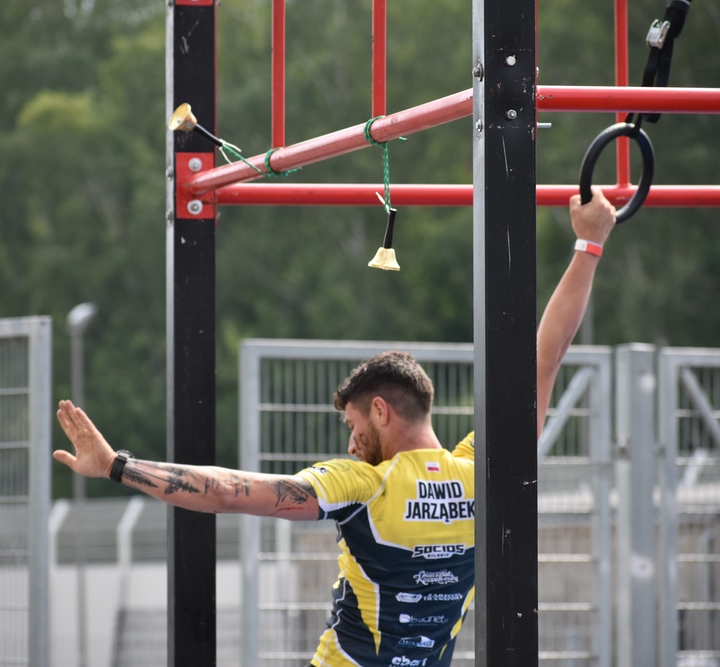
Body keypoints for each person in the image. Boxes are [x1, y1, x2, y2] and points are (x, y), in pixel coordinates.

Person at [54, 189, 617, 667]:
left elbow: (227, 491)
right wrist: (589, 246)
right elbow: (546, 357)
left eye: (353, 424)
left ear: (381, 411)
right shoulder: (481, 470)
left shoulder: (362, 484)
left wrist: (118, 466)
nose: (350, 442)